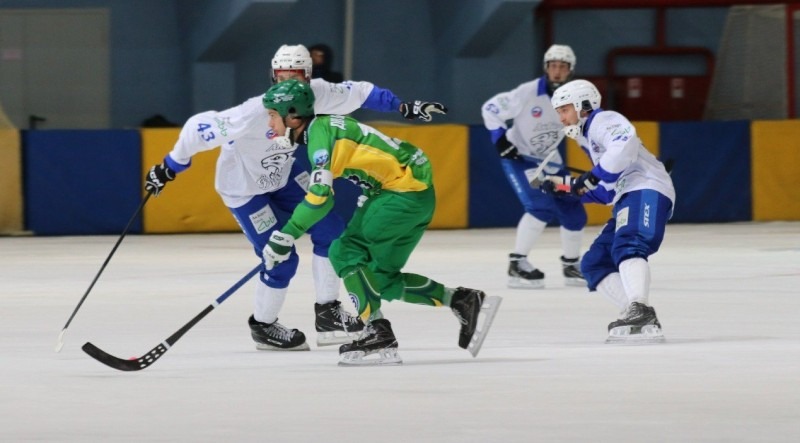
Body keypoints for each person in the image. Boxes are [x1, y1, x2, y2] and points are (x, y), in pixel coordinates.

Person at [144, 44, 448, 352]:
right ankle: (263, 325)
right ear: (273, 76)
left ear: (308, 75)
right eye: (282, 75)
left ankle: (328, 313)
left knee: (332, 230)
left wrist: (402, 107)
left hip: (284, 175)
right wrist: (170, 166)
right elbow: (198, 128)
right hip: (244, 188)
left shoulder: (316, 93)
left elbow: (360, 92)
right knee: (282, 259)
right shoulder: (256, 111)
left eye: (297, 75)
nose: (289, 81)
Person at [261, 80, 502, 366]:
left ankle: (376, 331)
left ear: (293, 115)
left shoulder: (319, 138)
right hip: (414, 193)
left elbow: (321, 196)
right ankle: (461, 300)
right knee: (380, 280)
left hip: (401, 191)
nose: (269, 122)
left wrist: (285, 236)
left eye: (273, 115)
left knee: (344, 250)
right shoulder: (324, 128)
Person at [546, 79, 675, 343]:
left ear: (584, 105)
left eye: (564, 110)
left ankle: (639, 309)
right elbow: (605, 191)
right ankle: (637, 311)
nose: (561, 118)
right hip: (628, 194)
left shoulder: (603, 120)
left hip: (646, 188)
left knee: (629, 245)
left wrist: (592, 177)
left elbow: (623, 146)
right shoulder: (590, 139)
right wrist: (568, 188)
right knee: (595, 263)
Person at [481, 44, 587, 289]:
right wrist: (500, 140)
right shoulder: (527, 92)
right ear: (546, 68)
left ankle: (571, 266)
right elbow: (491, 109)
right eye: (553, 66)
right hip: (520, 160)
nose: (557, 71)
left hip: (550, 162)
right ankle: (517, 264)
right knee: (539, 206)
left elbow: (582, 135)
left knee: (573, 209)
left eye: (562, 67)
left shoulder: (575, 100)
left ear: (571, 70)